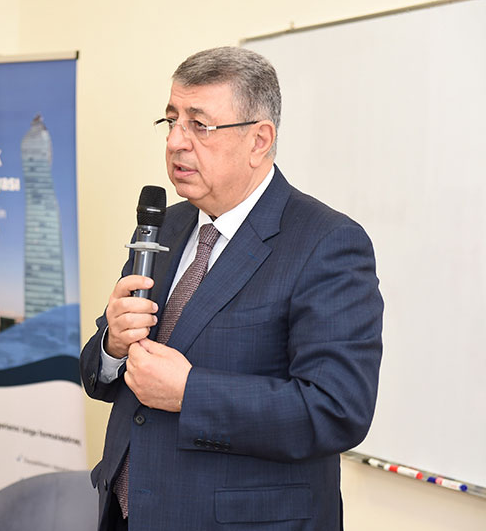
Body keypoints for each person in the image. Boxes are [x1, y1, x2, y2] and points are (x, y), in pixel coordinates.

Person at [80, 46, 383, 531]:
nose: (176, 142)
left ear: (259, 140)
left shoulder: (326, 242)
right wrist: (112, 346)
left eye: (200, 125)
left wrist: (190, 393)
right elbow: (100, 375)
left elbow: (336, 410)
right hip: (128, 511)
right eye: (171, 121)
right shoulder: (164, 226)